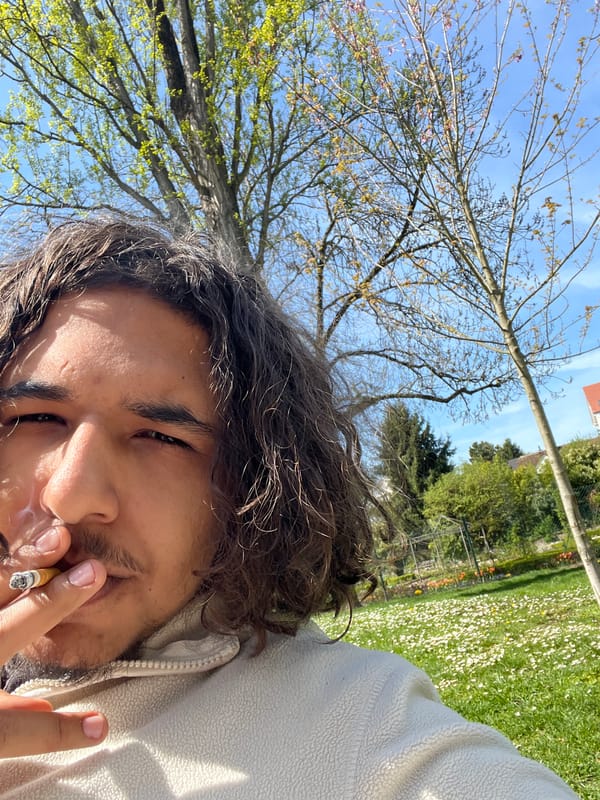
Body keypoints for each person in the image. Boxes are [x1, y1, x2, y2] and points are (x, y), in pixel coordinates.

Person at [0, 219, 577, 799]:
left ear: (248, 489)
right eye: (34, 418)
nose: (71, 495)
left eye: (161, 437)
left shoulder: (362, 732)